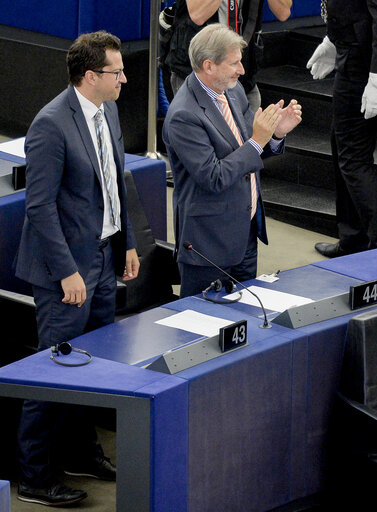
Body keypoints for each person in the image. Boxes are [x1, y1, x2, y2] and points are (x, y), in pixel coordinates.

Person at [13, 31, 140, 507]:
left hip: (105, 258)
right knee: (51, 371)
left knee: (92, 365)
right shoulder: (50, 124)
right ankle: (34, 475)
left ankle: (82, 453)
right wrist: (68, 271)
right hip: (64, 272)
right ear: (91, 76)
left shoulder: (106, 109)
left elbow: (115, 180)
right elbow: (40, 207)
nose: (125, 78)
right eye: (117, 72)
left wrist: (126, 243)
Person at [163, 24, 301, 297]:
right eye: (235, 63)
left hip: (245, 234)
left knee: (244, 323)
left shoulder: (234, 92)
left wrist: (276, 134)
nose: (242, 70)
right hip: (209, 246)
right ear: (209, 66)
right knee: (202, 328)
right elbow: (214, 177)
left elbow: (250, 152)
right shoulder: (184, 115)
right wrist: (258, 140)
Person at [307, 0, 377, 257]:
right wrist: (332, 39)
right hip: (349, 54)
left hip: (365, 64)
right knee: (341, 148)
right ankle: (353, 238)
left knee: (353, 159)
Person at [163, 0, 292, 110]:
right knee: (204, 136)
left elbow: (283, 12)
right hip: (199, 77)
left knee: (250, 137)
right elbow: (198, 15)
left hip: (243, 77)